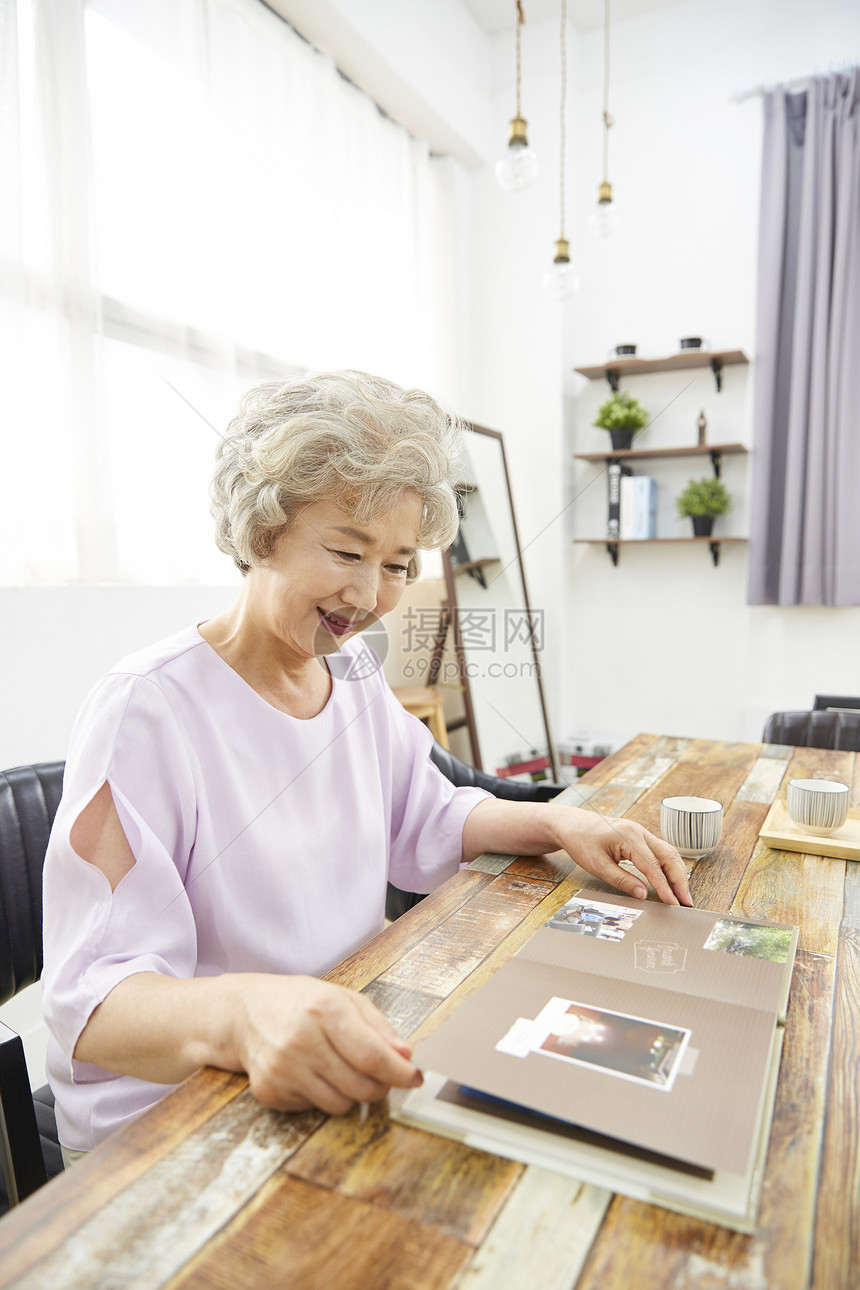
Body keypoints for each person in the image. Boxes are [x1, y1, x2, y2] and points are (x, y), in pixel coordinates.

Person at [41, 370, 691, 1161]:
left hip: (334, 1062)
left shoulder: (351, 676)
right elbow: (93, 1008)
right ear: (262, 530)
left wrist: (560, 820)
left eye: (397, 564)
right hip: (175, 1123)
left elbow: (426, 814)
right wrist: (245, 1014)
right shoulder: (147, 710)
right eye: (347, 550)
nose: (371, 592)